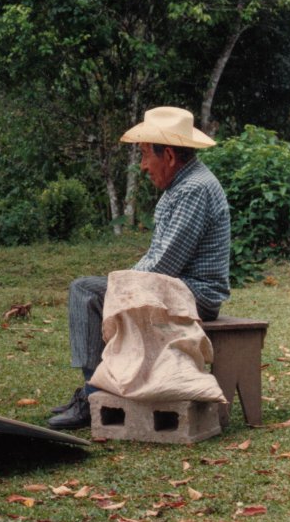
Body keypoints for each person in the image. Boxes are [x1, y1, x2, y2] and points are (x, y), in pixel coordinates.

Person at [47, 106, 231, 430]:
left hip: (195, 294)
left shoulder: (193, 189)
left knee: (86, 291)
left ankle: (95, 395)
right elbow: (158, 259)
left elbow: (164, 266)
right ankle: (98, 390)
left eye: (146, 155)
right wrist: (123, 281)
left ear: (170, 155)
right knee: (92, 288)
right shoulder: (184, 185)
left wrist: (121, 284)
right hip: (178, 287)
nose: (144, 166)